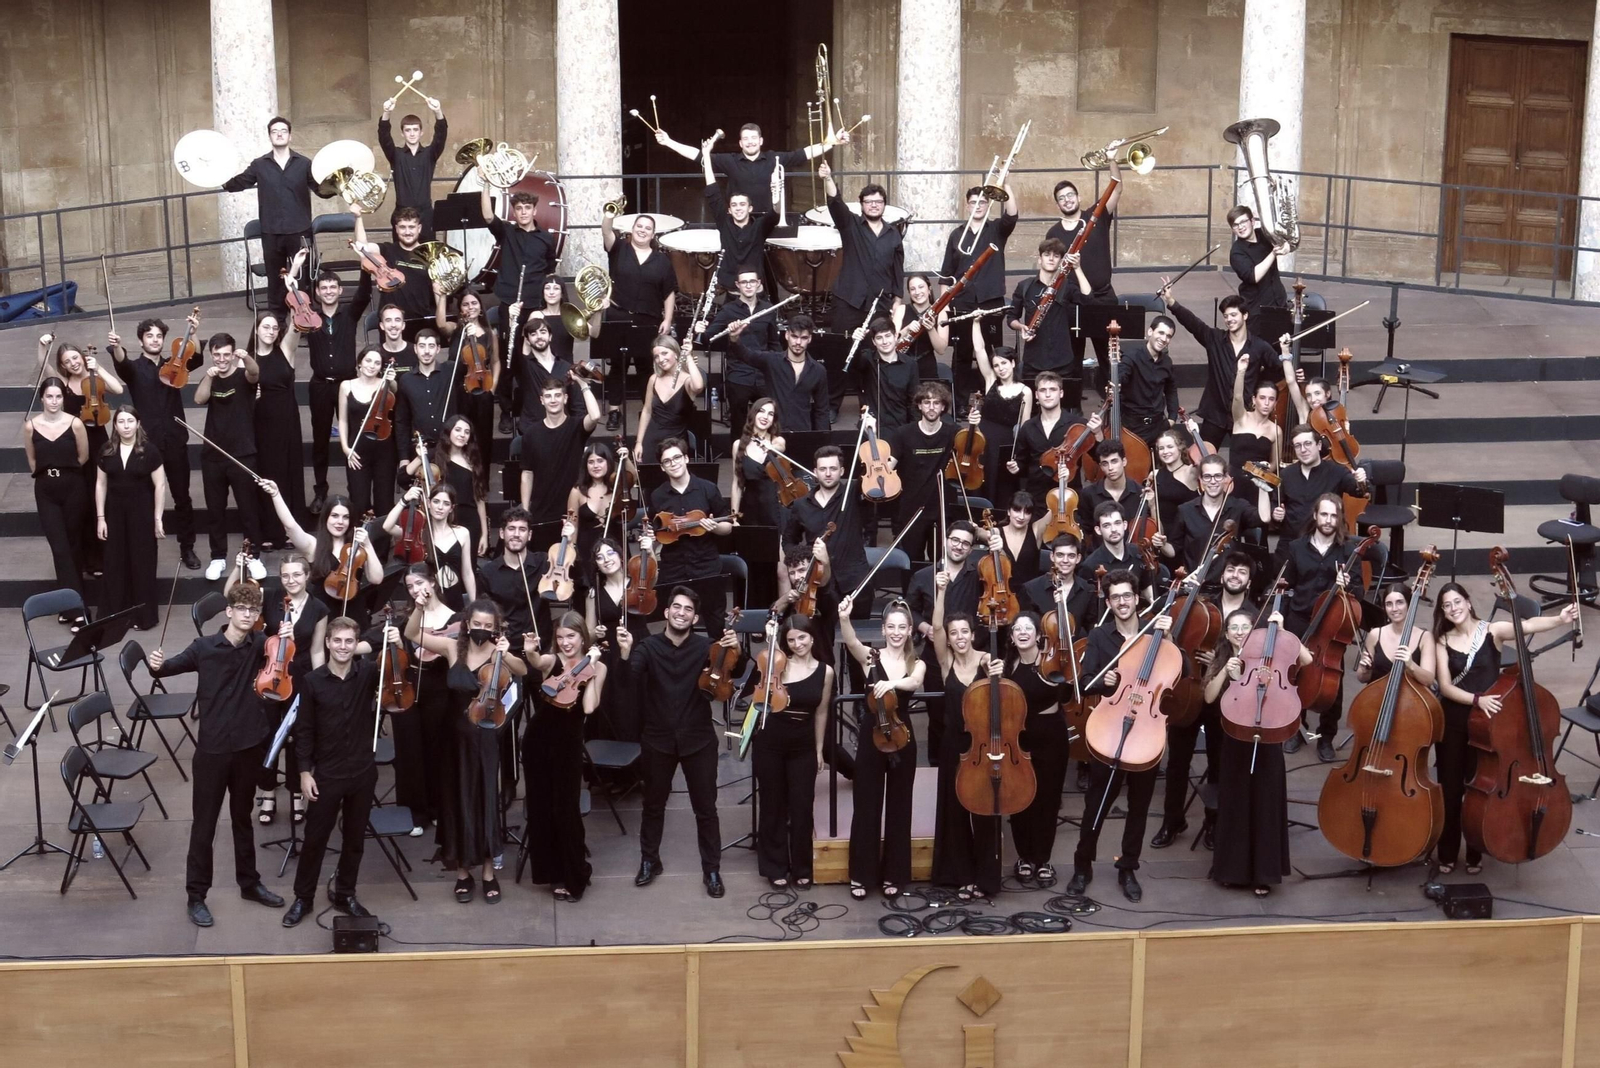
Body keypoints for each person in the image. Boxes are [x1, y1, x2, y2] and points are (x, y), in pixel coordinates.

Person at [149, 582, 288, 927]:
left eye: (253, 611)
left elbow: (281, 653)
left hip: (247, 746)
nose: (248, 615)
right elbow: (170, 667)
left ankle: (250, 884)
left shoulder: (261, 645)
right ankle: (196, 896)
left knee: (243, 818)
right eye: (242, 609)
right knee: (204, 825)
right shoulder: (203, 647)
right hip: (212, 750)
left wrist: (285, 633)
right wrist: (156, 665)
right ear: (229, 612)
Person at [1433, 583, 1577, 874]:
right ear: (1443, 611)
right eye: (1447, 605)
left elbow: (1528, 625)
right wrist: (1477, 699)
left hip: (1489, 727)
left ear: (1469, 602)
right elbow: (1446, 688)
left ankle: (1476, 849)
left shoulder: (1492, 631)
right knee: (1450, 789)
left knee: (1479, 788)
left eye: (1457, 601)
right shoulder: (1441, 640)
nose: (1453, 608)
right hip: (1455, 721)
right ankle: (1447, 852)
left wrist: (1560, 619)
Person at [409, 598, 535, 905]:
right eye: (476, 623)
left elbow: (523, 670)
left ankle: (489, 873)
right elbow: (413, 634)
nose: (481, 629)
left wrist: (506, 652)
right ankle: (463, 872)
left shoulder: (497, 653)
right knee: (455, 802)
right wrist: (418, 607)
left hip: (485, 738)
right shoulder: (454, 648)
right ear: (467, 623)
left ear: (494, 629)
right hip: (451, 738)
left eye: (487, 626)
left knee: (485, 801)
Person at [618, 587, 735, 897]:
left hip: (698, 739)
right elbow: (629, 679)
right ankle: (649, 860)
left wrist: (736, 650)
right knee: (653, 806)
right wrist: (627, 652)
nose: (681, 612)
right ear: (667, 612)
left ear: (694, 617)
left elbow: (733, 676)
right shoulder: (648, 646)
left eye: (687, 610)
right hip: (658, 740)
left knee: (706, 809)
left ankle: (711, 870)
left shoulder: (707, 649)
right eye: (676, 607)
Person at [280, 614, 397, 926]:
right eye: (338, 641)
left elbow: (398, 678)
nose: (343, 647)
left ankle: (345, 892)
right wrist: (305, 773)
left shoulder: (369, 673)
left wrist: (396, 642)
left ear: (355, 644)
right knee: (315, 838)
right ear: (328, 643)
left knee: (355, 840)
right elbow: (303, 731)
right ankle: (303, 898)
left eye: (349, 641)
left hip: (361, 771)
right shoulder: (313, 681)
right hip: (327, 774)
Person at [1070, 570, 1172, 902]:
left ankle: (1128, 867)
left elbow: (1176, 670)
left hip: (1146, 727)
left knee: (1139, 806)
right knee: (1095, 804)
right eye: (1115, 597)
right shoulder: (1100, 636)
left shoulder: (1154, 633)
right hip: (1112, 726)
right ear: (1108, 601)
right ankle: (1082, 866)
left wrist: (1167, 640)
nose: (1122, 602)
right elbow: (1086, 682)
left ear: (1137, 597)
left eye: (1127, 595)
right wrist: (1106, 683)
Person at [1205, 608, 1307, 895]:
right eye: (1233, 627)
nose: (1239, 632)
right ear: (1226, 634)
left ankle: (1264, 873)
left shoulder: (1273, 654)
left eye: (1245, 627)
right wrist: (1228, 672)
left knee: (1265, 804)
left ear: (1255, 632)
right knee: (1236, 803)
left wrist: (1283, 630)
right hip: (1234, 738)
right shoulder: (1223, 658)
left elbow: (1307, 659)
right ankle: (1232, 870)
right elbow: (1210, 696)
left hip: (1268, 734)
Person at [226, 551, 328, 828]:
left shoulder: (318, 608)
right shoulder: (270, 596)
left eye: (297, 574)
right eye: (285, 575)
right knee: (267, 735)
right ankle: (268, 792)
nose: (291, 580)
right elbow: (232, 596)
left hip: (301, 677)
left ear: (307, 576)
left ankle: (296, 793)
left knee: (297, 737)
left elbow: (318, 651)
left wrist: (320, 685)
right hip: (270, 676)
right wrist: (238, 569)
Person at [838, 595, 924, 899]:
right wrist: (845, 619)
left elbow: (914, 683)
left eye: (902, 627)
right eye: (891, 627)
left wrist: (892, 684)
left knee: (900, 806)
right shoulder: (871, 658)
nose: (897, 632)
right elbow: (851, 644)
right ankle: (862, 874)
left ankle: (895, 875)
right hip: (871, 735)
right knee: (867, 805)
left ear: (910, 629)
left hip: (902, 736)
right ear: (884, 629)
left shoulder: (917, 662)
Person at [523, 612, 607, 901]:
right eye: (560, 637)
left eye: (570, 636)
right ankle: (551, 873)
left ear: (583, 637)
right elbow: (536, 663)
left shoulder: (599, 667)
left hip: (568, 744)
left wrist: (592, 668)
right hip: (537, 741)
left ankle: (576, 875)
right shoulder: (552, 660)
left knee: (566, 809)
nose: (565, 642)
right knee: (541, 808)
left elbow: (588, 708)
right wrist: (531, 652)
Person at [107, 315, 201, 569]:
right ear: (141, 340)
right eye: (150, 336)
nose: (155, 340)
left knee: (182, 496)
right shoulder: (135, 369)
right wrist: (116, 346)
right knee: (143, 498)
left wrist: (192, 332)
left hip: (175, 439)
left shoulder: (176, 364)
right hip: (146, 444)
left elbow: (198, 358)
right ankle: (143, 548)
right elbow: (122, 364)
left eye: (159, 336)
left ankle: (187, 548)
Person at [929, 572, 998, 899]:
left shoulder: (987, 661)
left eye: (964, 632)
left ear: (973, 635)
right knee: (955, 812)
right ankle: (962, 876)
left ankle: (986, 878)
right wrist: (941, 591)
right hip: (954, 746)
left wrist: (1001, 672)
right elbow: (937, 628)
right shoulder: (945, 664)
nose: (958, 637)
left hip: (983, 746)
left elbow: (1004, 696)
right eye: (954, 633)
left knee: (983, 810)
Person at [1280, 495, 1363, 760]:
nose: (1328, 521)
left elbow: (1359, 592)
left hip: (1331, 623)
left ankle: (1326, 737)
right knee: (1293, 675)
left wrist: (1348, 584)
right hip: (1301, 618)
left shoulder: (1349, 552)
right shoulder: (1296, 547)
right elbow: (1286, 585)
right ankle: (1294, 728)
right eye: (1324, 515)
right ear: (1315, 516)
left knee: (1333, 679)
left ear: (1340, 519)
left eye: (1333, 516)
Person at [752, 615, 832, 888]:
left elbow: (821, 712)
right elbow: (761, 687)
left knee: (801, 807)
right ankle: (774, 866)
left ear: (812, 637)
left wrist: (819, 749)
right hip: (770, 740)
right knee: (773, 804)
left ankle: (801, 867)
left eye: (802, 637)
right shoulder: (779, 664)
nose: (798, 644)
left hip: (802, 745)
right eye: (791, 639)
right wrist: (771, 641)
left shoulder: (826, 671)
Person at [39, 336, 125, 575]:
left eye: (75, 358)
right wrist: (42, 347)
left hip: (98, 441)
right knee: (83, 504)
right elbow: (43, 366)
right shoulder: (61, 383)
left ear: (81, 356)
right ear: (63, 366)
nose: (73, 363)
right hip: (73, 446)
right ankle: (91, 559)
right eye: (67, 361)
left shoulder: (93, 377)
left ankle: (107, 556)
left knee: (102, 500)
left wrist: (98, 368)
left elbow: (118, 389)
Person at [221, 116, 322, 317]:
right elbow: (241, 182)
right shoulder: (259, 165)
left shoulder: (304, 163)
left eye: (283, 130)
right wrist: (219, 178)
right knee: (275, 280)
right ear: (269, 136)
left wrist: (338, 185)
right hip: (271, 232)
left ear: (290, 136)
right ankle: (277, 320)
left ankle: (302, 318)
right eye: (274, 131)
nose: (279, 133)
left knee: (301, 278)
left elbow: (320, 189)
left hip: (299, 230)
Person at [1159, 280, 1277, 447]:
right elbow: (1193, 323)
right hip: (1215, 414)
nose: (1229, 320)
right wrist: (1171, 302)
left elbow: (1277, 369)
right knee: (1203, 456)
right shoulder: (1214, 339)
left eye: (1234, 315)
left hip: (1245, 414)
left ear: (1245, 316)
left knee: (1244, 463)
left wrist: (1257, 384)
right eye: (1226, 316)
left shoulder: (1260, 346)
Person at [821, 161, 904, 392]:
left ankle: (870, 403)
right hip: (848, 300)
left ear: (884, 205)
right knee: (839, 351)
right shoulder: (850, 225)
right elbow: (835, 204)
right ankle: (833, 403)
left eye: (878, 202)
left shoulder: (893, 234)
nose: (874, 205)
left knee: (874, 353)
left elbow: (898, 269)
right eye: (869, 202)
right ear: (862, 205)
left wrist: (897, 299)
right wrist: (828, 178)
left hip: (879, 304)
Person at [1005, 611, 1071, 888]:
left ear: (1038, 634)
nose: (1022, 632)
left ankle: (1043, 858)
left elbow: (1067, 695)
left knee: (1048, 799)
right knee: (1020, 799)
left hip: (1050, 736)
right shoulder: (1006, 666)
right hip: (1018, 738)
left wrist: (1066, 673)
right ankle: (1024, 856)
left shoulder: (1051, 662)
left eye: (1027, 628)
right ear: (1011, 637)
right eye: (1017, 629)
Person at [656, 120, 842, 212]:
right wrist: (669, 142)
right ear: (740, 143)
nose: (750, 142)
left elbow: (803, 153)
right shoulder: (730, 161)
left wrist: (831, 143)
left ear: (761, 140)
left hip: (769, 220)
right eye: (746, 139)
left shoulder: (773, 158)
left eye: (754, 138)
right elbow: (697, 155)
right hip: (739, 221)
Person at [194, 333, 263, 580]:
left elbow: (255, 373)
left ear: (233, 354)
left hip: (242, 453)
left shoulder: (243, 376)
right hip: (213, 454)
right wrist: (208, 376)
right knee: (215, 510)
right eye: (217, 355)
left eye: (226, 354)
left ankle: (254, 555)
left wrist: (248, 358)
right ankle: (218, 557)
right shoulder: (211, 377)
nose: (222, 359)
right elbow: (199, 399)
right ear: (212, 354)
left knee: (248, 509)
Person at [649, 438, 733, 641]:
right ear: (662, 467)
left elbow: (727, 527)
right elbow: (656, 534)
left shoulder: (708, 489)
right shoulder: (657, 496)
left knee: (716, 626)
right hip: (674, 570)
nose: (673, 463)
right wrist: (651, 538)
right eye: (667, 461)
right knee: (678, 629)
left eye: (677, 457)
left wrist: (713, 528)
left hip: (706, 567)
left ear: (686, 458)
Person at [304, 271, 373, 514]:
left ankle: (356, 491)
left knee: (353, 437)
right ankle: (320, 492)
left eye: (333, 287)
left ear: (341, 290)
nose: (329, 291)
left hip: (348, 383)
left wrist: (365, 266)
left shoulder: (350, 314)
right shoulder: (309, 316)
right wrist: (295, 271)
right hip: (321, 385)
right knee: (320, 440)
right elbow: (291, 296)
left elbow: (365, 293)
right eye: (324, 287)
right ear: (317, 292)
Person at [941, 181, 1019, 397]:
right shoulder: (957, 235)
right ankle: (962, 399)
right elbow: (947, 274)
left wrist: (1005, 185)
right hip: (963, 302)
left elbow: (1012, 215)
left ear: (988, 205)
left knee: (995, 351)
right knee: (963, 352)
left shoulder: (996, 229)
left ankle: (997, 396)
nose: (978, 206)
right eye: (973, 202)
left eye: (982, 202)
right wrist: (943, 308)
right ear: (967, 206)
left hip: (990, 301)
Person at [258, 483, 383, 616]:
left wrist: (368, 545)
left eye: (345, 517)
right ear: (326, 518)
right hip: (322, 616)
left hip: (354, 614)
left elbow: (376, 579)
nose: (340, 522)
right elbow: (290, 526)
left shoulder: (358, 548)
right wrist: (276, 494)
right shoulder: (313, 546)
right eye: (334, 516)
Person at [780, 445, 871, 624]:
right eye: (823, 469)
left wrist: (870, 432)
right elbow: (789, 540)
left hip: (854, 580)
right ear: (815, 472)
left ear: (842, 471)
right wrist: (802, 561)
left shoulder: (854, 493)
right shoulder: (801, 505)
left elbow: (872, 475)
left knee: (859, 642)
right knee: (822, 641)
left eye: (833, 469)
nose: (828, 473)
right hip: (818, 583)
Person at [1046, 166, 1123, 377]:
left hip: (1102, 297)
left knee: (1109, 358)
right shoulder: (1053, 232)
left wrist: (1112, 159)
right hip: (1072, 302)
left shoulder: (1095, 216)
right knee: (1072, 361)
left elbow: (1116, 188)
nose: (1067, 200)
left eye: (1070, 195)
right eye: (1062, 198)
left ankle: (1114, 406)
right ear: (1057, 204)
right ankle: (1073, 407)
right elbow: (1049, 268)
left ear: (1078, 197)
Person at [95, 407, 166, 632]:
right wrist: (100, 518)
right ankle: (115, 614)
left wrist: (158, 518)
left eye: (130, 421)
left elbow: (160, 486)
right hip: (115, 513)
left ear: (138, 423)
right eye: (121, 422)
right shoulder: (106, 450)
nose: (126, 426)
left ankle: (143, 616)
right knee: (115, 561)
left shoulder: (150, 451)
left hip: (142, 513)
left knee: (141, 562)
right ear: (114, 425)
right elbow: (100, 484)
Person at [601, 207, 677, 415]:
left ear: (653, 234)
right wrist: (609, 214)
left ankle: (648, 410)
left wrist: (668, 319)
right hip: (618, 315)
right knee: (618, 366)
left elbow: (669, 292)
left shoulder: (662, 260)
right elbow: (606, 232)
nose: (643, 231)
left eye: (648, 228)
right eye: (639, 226)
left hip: (648, 319)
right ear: (632, 229)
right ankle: (614, 411)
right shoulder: (619, 249)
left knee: (646, 368)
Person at [27, 378, 90, 623]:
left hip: (73, 488)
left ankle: (67, 606)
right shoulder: (31, 426)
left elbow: (83, 457)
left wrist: (64, 472)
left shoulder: (75, 424)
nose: (54, 401)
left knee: (73, 547)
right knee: (60, 548)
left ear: (63, 398)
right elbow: (33, 461)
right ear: (42, 398)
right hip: (46, 491)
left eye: (58, 396)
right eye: (49, 396)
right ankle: (78, 611)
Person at [245, 306, 305, 549]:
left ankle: (291, 530)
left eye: (274, 327)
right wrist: (252, 396)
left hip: (287, 419)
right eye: (265, 327)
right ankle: (270, 530)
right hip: (262, 421)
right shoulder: (249, 358)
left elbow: (297, 324)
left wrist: (293, 287)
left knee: (290, 472)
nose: (270, 331)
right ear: (256, 330)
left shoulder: (285, 350)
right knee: (268, 473)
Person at [479, 177, 559, 351]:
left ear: (534, 211)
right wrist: (486, 182)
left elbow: (549, 270)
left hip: (534, 302)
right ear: (514, 213)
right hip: (508, 300)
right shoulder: (507, 231)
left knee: (534, 349)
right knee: (508, 348)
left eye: (527, 208)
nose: (523, 212)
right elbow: (487, 215)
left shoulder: (546, 238)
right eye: (519, 209)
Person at [1154, 455, 1265, 581]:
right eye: (1207, 476)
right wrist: (1162, 545)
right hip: (1194, 584)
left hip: (1228, 586)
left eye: (1218, 476)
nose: (1213, 481)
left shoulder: (1238, 506)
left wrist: (1264, 487)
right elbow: (1172, 550)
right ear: (1200, 479)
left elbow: (1263, 517)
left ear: (1225, 478)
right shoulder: (1186, 510)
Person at [1008, 239, 1090, 406]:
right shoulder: (1025, 286)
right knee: (1032, 409)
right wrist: (1021, 327)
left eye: (1056, 256)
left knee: (1064, 408)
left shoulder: (1067, 286)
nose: (1051, 259)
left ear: (1061, 260)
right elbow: (1011, 318)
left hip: (1063, 360)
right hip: (1034, 360)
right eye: (1046, 255)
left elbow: (1088, 299)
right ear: (1039, 259)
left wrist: (1077, 268)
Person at [699, 267, 776, 432]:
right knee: (738, 424)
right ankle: (739, 455)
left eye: (752, 281)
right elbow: (708, 339)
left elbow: (774, 343)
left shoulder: (768, 309)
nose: (748, 285)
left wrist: (778, 368)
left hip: (763, 373)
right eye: (744, 282)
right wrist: (699, 331)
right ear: (737, 285)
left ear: (759, 284)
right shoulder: (728, 310)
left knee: (770, 422)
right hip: (738, 374)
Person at [1008, 371, 1102, 503]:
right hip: (1036, 499)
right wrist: (1016, 466)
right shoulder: (1028, 427)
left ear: (1061, 393)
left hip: (1069, 497)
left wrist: (1097, 433)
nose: (1047, 394)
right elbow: (1022, 462)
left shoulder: (1078, 425)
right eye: (1043, 390)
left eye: (1052, 389)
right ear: (1036, 395)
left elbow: (1099, 456)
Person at [726, 314, 830, 432]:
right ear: (787, 335)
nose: (798, 342)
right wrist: (734, 338)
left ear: (810, 339)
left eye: (803, 338)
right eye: (794, 336)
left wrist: (823, 438)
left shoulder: (818, 370)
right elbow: (746, 355)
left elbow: (822, 410)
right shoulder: (772, 361)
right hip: (773, 432)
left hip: (802, 431)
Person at [1274, 421, 1369, 549]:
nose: (1303, 450)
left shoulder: (1336, 471)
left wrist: (1361, 481)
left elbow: (1360, 491)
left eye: (1308, 444)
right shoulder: (1285, 474)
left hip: (1327, 545)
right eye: (1298, 445)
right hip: (1291, 544)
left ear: (1319, 445)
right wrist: (1276, 513)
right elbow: (1275, 504)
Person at [521, 378, 601, 529]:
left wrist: (582, 384)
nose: (553, 400)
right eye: (548, 396)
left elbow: (595, 416)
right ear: (541, 400)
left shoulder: (577, 426)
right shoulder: (531, 433)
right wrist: (525, 509)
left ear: (565, 398)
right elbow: (527, 473)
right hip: (542, 508)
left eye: (557, 395)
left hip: (573, 508)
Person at [478, 505, 556, 657]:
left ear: (530, 535)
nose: (516, 534)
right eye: (511, 528)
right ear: (501, 533)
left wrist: (570, 539)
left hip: (540, 648)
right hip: (506, 651)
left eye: (522, 529)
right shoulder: (488, 572)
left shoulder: (543, 562)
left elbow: (574, 576)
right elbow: (483, 613)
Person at [384, 482, 476, 610]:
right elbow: (387, 526)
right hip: (428, 598)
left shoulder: (462, 533)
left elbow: (467, 572)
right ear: (428, 503)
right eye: (436, 501)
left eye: (446, 503)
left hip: (454, 596)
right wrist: (404, 500)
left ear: (451, 508)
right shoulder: (418, 532)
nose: (440, 507)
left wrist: (474, 605)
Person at [887, 389, 954, 562]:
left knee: (940, 563)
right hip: (910, 508)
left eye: (936, 403)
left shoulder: (953, 433)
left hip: (941, 508)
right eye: (927, 402)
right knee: (911, 561)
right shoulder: (903, 434)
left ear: (943, 407)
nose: (931, 407)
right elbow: (888, 467)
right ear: (919, 405)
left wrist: (973, 428)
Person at [701, 143, 779, 290]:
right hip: (729, 285)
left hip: (754, 286)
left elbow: (775, 213)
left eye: (742, 205)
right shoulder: (724, 223)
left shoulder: (760, 226)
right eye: (734, 205)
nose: (738, 208)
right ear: (729, 210)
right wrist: (706, 154)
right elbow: (713, 191)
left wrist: (777, 192)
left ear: (750, 208)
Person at [336, 349, 400, 520]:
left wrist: (390, 380)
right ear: (360, 362)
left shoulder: (385, 385)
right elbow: (342, 420)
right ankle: (358, 543)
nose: (372, 366)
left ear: (381, 367)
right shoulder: (346, 386)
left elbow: (394, 388)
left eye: (377, 363)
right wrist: (345, 448)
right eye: (368, 361)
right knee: (358, 501)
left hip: (384, 451)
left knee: (384, 502)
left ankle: (382, 545)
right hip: (357, 452)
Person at [971, 324, 1030, 506]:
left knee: (1003, 490)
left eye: (1004, 363)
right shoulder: (991, 382)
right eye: (996, 365)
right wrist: (976, 322)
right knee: (983, 485)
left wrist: (1018, 456)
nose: (1000, 368)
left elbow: (1024, 426)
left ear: (1012, 363)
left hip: (1007, 446)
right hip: (984, 444)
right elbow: (979, 349)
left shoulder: (1025, 391)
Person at [435, 285, 498, 451]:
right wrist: (442, 297)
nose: (471, 307)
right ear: (460, 308)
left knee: (482, 437)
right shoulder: (456, 329)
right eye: (466, 304)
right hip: (458, 392)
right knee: (459, 438)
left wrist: (493, 388)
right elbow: (441, 324)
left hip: (482, 390)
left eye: (474, 303)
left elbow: (496, 362)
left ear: (480, 307)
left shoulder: (489, 334)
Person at [353, 205, 433, 336]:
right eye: (402, 227)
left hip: (420, 321)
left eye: (411, 227)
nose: (407, 232)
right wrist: (358, 217)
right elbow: (363, 247)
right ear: (396, 229)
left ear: (419, 228)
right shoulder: (387, 250)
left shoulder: (429, 254)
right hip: (391, 324)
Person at [378, 95, 447, 237]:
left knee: (428, 255)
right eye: (408, 130)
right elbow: (384, 137)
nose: (412, 133)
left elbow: (441, 135)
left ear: (421, 132)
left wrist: (438, 111)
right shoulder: (395, 155)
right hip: (402, 214)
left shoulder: (430, 154)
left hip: (425, 215)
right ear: (402, 134)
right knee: (401, 257)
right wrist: (387, 113)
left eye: (415, 130)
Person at [1227, 352, 1285, 517]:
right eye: (1262, 398)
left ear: (1275, 403)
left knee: (1258, 535)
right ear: (1254, 399)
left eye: (1271, 399)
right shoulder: (1241, 418)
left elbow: (1275, 464)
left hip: (1258, 485)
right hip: (1235, 483)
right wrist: (1241, 372)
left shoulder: (1275, 430)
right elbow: (1237, 398)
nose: (1266, 403)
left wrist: (1264, 469)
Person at [635, 335, 705, 462]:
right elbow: (646, 411)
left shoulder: (688, 380)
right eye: (656, 356)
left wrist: (688, 356)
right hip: (651, 441)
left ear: (676, 353)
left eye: (664, 353)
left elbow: (699, 386)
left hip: (675, 445)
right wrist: (639, 442)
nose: (660, 359)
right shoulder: (654, 379)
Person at [430, 414, 490, 559]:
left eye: (467, 432)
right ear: (449, 431)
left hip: (470, 519)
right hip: (446, 517)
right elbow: (405, 475)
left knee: (469, 567)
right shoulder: (435, 457)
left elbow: (479, 498)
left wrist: (485, 533)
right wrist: (419, 456)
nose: (462, 435)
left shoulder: (473, 460)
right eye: (458, 430)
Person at [393, 328, 456, 467]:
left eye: (431, 346)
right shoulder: (406, 380)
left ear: (438, 349)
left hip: (450, 447)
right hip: (420, 450)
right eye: (422, 346)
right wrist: (403, 458)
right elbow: (402, 421)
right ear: (415, 349)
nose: (426, 351)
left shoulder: (450, 370)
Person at [1119, 316, 1180, 445]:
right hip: (1133, 426)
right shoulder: (1131, 356)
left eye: (1168, 336)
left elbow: (1171, 390)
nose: (1164, 339)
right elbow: (1122, 375)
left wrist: (1172, 418)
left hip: (1158, 425)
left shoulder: (1167, 362)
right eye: (1161, 333)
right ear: (1150, 332)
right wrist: (1117, 377)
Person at [856, 317, 920, 432]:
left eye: (888, 336)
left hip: (901, 428)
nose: (885, 342)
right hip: (873, 427)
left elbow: (914, 401)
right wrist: (855, 341)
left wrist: (913, 431)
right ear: (873, 342)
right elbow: (853, 365)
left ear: (896, 336)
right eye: (879, 338)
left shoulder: (910, 364)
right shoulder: (867, 359)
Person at [731, 400, 786, 530]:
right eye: (761, 411)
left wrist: (771, 447)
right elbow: (737, 484)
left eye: (770, 414)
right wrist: (734, 517)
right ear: (753, 414)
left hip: (776, 507)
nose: (765, 417)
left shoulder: (777, 440)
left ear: (774, 419)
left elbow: (781, 447)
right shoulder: (738, 445)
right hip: (751, 508)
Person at [1227, 204, 1288, 314]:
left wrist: (1287, 246)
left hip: (1280, 302)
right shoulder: (1236, 252)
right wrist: (1273, 253)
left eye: (1243, 222)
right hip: (1256, 310)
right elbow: (1254, 276)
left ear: (1252, 221)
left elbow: (1286, 237)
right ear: (1233, 229)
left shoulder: (1265, 234)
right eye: (1235, 225)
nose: (1240, 227)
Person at [1023, 534, 1096, 625]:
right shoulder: (1032, 588)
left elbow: (1090, 629)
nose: (1065, 560)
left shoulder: (1088, 590)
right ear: (1052, 556)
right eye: (1060, 555)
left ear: (1078, 558)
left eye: (1071, 556)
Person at [1077, 440, 1142, 543]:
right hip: (1100, 556)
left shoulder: (1140, 493)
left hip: (1133, 555)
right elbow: (1086, 531)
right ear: (1101, 466)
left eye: (1114, 461)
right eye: (1105, 464)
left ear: (1124, 461)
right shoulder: (1088, 494)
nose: (1110, 468)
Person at [897, 274, 951, 384]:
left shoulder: (941, 312)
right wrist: (907, 329)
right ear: (909, 292)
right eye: (912, 289)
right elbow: (892, 342)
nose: (917, 292)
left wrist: (931, 329)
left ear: (929, 289)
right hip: (902, 366)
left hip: (927, 368)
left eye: (921, 287)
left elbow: (941, 350)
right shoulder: (901, 309)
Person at [1150, 428, 1199, 535]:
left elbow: (1205, 460)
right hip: (1162, 532)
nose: (1165, 452)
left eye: (1170, 447)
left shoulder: (1190, 471)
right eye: (1161, 448)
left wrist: (1196, 436)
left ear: (1180, 448)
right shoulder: (1154, 474)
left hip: (1187, 531)